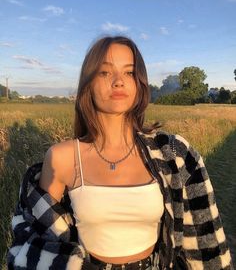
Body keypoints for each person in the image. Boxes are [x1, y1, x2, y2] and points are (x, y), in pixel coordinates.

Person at [8, 36, 233, 270]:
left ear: (140, 84)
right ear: (88, 84)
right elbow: (39, 241)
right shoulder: (62, 157)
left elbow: (206, 237)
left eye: (129, 73)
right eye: (105, 72)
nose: (118, 82)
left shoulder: (173, 154)